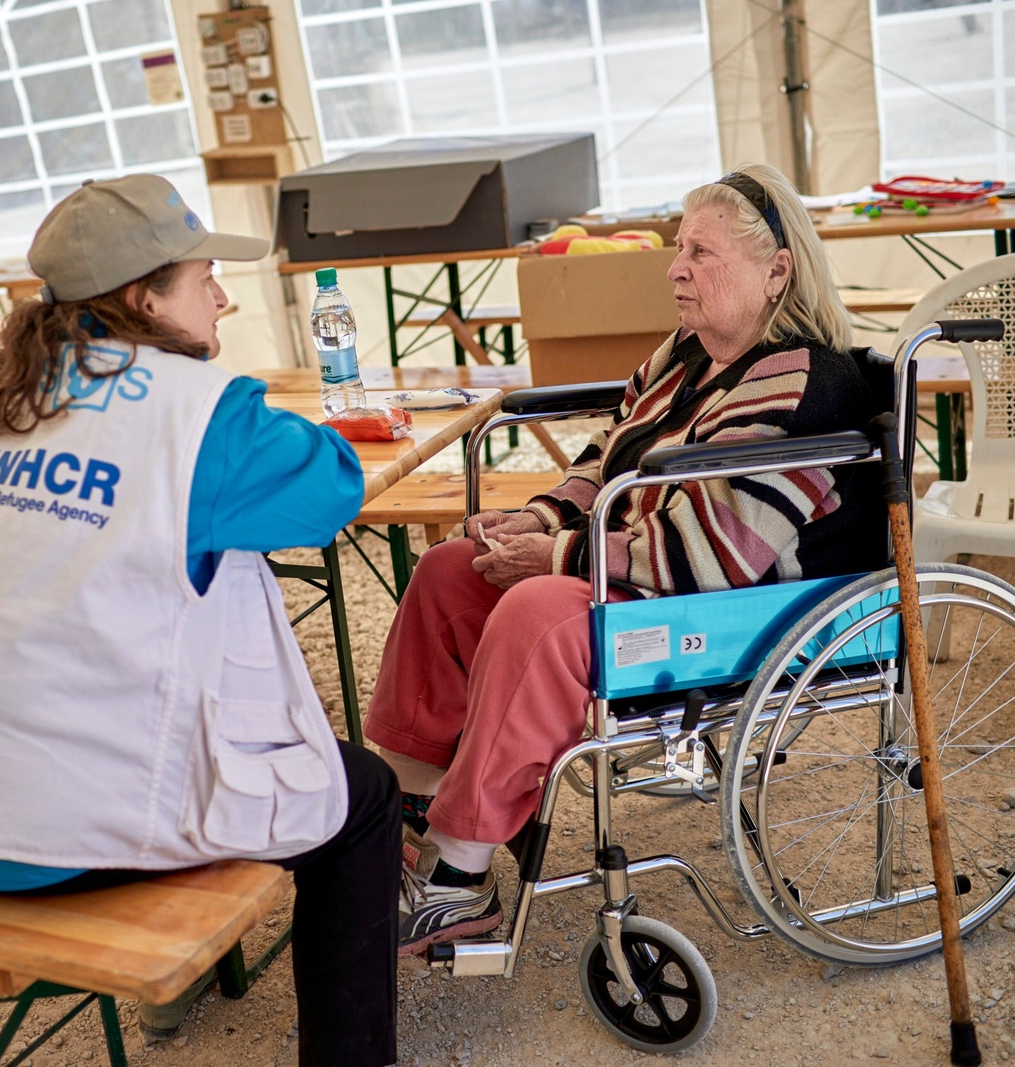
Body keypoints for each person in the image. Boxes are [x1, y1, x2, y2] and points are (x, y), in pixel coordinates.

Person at [0, 175, 398, 1067]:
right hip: (44, 833)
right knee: (364, 798)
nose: (223, 295)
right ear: (147, 299)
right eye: (203, 279)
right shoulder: (199, 418)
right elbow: (328, 488)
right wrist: (217, 392)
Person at [366, 163, 887, 956]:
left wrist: (559, 557)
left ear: (777, 270)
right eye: (680, 247)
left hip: (735, 609)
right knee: (450, 571)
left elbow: (714, 554)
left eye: (702, 253)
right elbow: (608, 454)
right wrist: (537, 518)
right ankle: (414, 811)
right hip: (643, 574)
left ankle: (460, 875)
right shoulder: (690, 351)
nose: (675, 267)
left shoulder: (806, 382)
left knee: (539, 614)